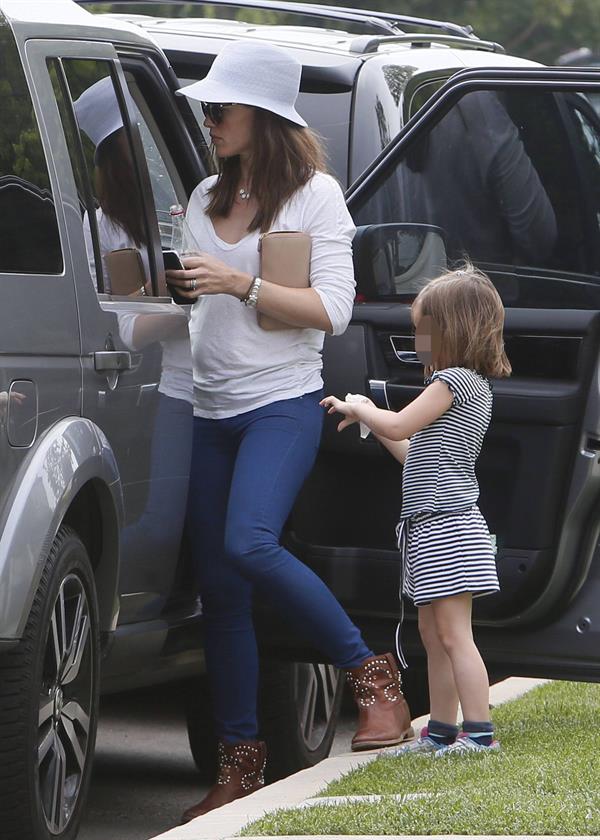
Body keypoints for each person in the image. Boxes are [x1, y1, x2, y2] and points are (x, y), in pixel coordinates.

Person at [166, 40, 413, 822]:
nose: (208, 122)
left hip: (280, 404)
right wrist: (174, 289)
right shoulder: (206, 194)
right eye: (205, 110)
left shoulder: (316, 197)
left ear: (264, 118)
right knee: (221, 592)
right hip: (208, 407)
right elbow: (194, 304)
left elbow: (333, 310)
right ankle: (242, 764)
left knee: (249, 543)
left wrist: (240, 282)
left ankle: (372, 676)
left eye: (220, 110)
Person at [321, 264, 511, 757]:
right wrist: (375, 426)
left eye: (421, 326)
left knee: (454, 634)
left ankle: (480, 733)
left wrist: (362, 406)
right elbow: (412, 451)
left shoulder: (453, 382)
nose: (414, 336)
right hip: (430, 527)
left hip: (449, 527)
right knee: (433, 632)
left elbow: (402, 421)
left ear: (449, 329)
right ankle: (442, 732)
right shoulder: (466, 386)